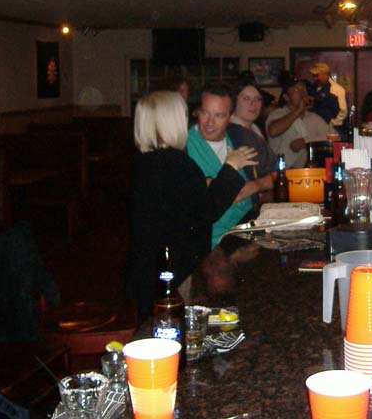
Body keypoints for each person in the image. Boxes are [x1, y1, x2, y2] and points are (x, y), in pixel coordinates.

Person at [126, 90, 257, 318]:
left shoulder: (145, 162)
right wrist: (231, 167)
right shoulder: (175, 164)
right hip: (172, 269)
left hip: (148, 264)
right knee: (172, 327)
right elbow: (207, 211)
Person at [187, 84, 273, 245]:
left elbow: (279, 175)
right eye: (204, 113)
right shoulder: (183, 145)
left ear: (230, 116)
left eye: (219, 115)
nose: (209, 123)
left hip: (247, 233)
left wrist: (255, 186)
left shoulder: (243, 137)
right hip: (207, 241)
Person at [266, 79, 329, 169]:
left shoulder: (313, 117)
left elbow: (333, 136)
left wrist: (306, 141)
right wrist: (298, 111)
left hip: (305, 172)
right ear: (286, 97)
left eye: (303, 88)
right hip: (281, 171)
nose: (302, 91)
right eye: (296, 89)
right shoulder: (278, 114)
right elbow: (273, 131)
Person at [307, 62, 346, 129]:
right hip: (314, 126)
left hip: (329, 127)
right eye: (313, 75)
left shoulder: (336, 89)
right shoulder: (313, 87)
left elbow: (343, 111)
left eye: (316, 75)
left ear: (326, 75)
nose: (314, 78)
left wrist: (332, 123)